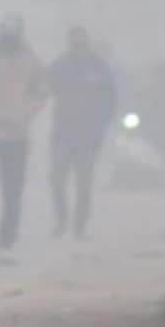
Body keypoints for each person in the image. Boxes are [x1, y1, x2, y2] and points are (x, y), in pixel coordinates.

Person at [0, 14, 47, 265]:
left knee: (12, 192)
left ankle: (6, 243)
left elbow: (41, 93)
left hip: (16, 135)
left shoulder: (31, 61)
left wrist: (26, 113)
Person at [46, 26, 115, 240]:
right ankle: (61, 220)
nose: (78, 48)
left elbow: (110, 99)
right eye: (74, 44)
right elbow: (44, 88)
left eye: (81, 44)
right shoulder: (60, 66)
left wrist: (101, 124)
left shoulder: (99, 67)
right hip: (63, 133)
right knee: (57, 180)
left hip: (88, 136)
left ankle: (79, 226)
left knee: (83, 182)